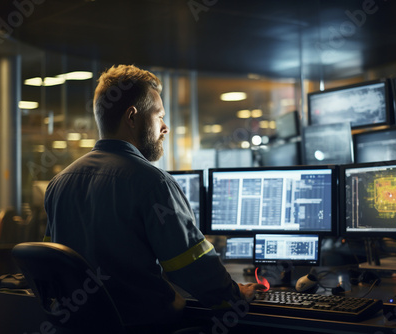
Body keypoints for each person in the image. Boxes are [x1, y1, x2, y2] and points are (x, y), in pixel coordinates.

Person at [43, 64, 264, 332]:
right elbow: (191, 264)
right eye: (159, 116)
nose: (165, 127)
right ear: (132, 118)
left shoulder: (59, 182)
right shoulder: (152, 182)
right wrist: (234, 295)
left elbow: (56, 267)